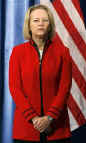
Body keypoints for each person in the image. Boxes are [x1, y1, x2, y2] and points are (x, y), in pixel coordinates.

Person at [9, 4, 72, 143]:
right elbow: (15, 88)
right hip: (26, 128)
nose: (41, 24)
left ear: (50, 25)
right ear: (29, 25)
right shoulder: (17, 52)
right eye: (36, 20)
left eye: (45, 20)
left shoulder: (63, 52)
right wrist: (34, 118)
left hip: (57, 127)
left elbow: (65, 88)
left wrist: (49, 118)